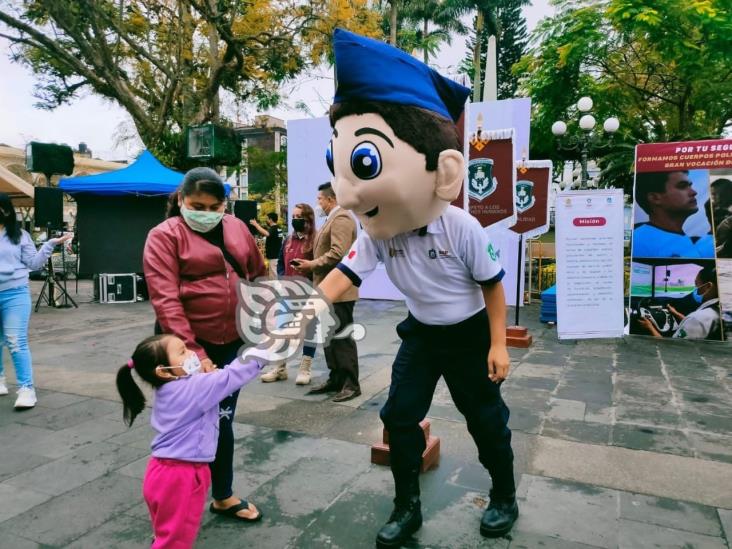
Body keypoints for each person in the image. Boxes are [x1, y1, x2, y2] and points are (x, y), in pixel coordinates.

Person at [313, 29, 517, 547]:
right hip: (423, 334)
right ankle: (407, 507)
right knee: (398, 416)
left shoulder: (460, 227)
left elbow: (494, 286)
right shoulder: (380, 230)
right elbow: (346, 275)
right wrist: (307, 309)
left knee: (485, 420)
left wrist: (497, 344)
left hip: (469, 333)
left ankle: (504, 494)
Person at [143, 167, 266, 522]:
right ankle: (174, 497)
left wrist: (267, 314)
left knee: (222, 419)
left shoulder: (237, 228)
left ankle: (222, 494)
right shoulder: (164, 236)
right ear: (181, 201)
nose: (207, 213)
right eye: (197, 205)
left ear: (224, 205)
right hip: (183, 348)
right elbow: (166, 299)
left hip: (232, 340)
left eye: (215, 206)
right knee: (186, 423)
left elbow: (257, 274)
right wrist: (195, 354)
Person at [115, 334, 265, 548]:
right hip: (181, 477)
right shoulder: (194, 388)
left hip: (161, 473)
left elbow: (204, 384)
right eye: (182, 352)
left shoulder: (168, 387)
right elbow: (234, 375)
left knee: (166, 532)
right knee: (176, 541)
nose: (192, 353)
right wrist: (266, 349)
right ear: (162, 370)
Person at [0, 192, 72, 408]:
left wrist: (49, 244)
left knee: (15, 340)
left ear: (4, 210)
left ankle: (26, 389)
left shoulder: (20, 235)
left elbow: (34, 264)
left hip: (15, 294)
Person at [294, 182, 360, 403]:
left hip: (339, 290)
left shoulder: (341, 218)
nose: (318, 203)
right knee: (330, 338)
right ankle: (336, 378)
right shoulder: (333, 218)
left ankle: (351, 384)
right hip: (327, 290)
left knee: (341, 337)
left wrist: (311, 264)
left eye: (320, 199)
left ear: (330, 199)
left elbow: (337, 253)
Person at [260, 203, 319, 385]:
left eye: (298, 216)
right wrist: (283, 278)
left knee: (309, 331)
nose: (294, 220)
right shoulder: (288, 239)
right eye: (292, 216)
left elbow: (320, 265)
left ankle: (305, 368)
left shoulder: (316, 239)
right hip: (287, 292)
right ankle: (280, 368)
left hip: (308, 293)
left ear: (308, 219)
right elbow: (280, 262)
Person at [633, 171, 714, 258]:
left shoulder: (684, 238)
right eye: (682, 186)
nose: (694, 192)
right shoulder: (639, 240)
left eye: (690, 185)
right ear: (655, 198)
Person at [639, 266, 722, 340]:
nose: (696, 288)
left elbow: (671, 347)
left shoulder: (698, 319)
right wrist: (675, 312)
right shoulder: (716, 311)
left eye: (697, 284)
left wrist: (649, 327)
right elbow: (691, 322)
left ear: (707, 287)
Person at [250, 212, 283, 279]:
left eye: (267, 219)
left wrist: (256, 225)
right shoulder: (278, 228)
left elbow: (267, 233)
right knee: (274, 275)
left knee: (274, 277)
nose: (266, 221)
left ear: (270, 220)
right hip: (277, 255)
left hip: (274, 256)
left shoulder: (273, 229)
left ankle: (276, 289)